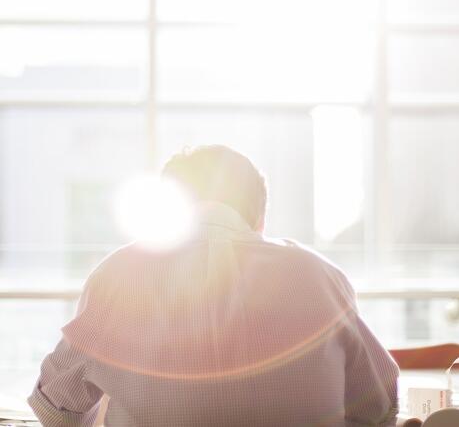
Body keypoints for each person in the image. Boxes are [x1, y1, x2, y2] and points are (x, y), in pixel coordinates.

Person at [29, 144, 399, 426]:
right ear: (260, 217)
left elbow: (57, 409)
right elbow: (379, 405)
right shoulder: (320, 276)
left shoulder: (120, 274)